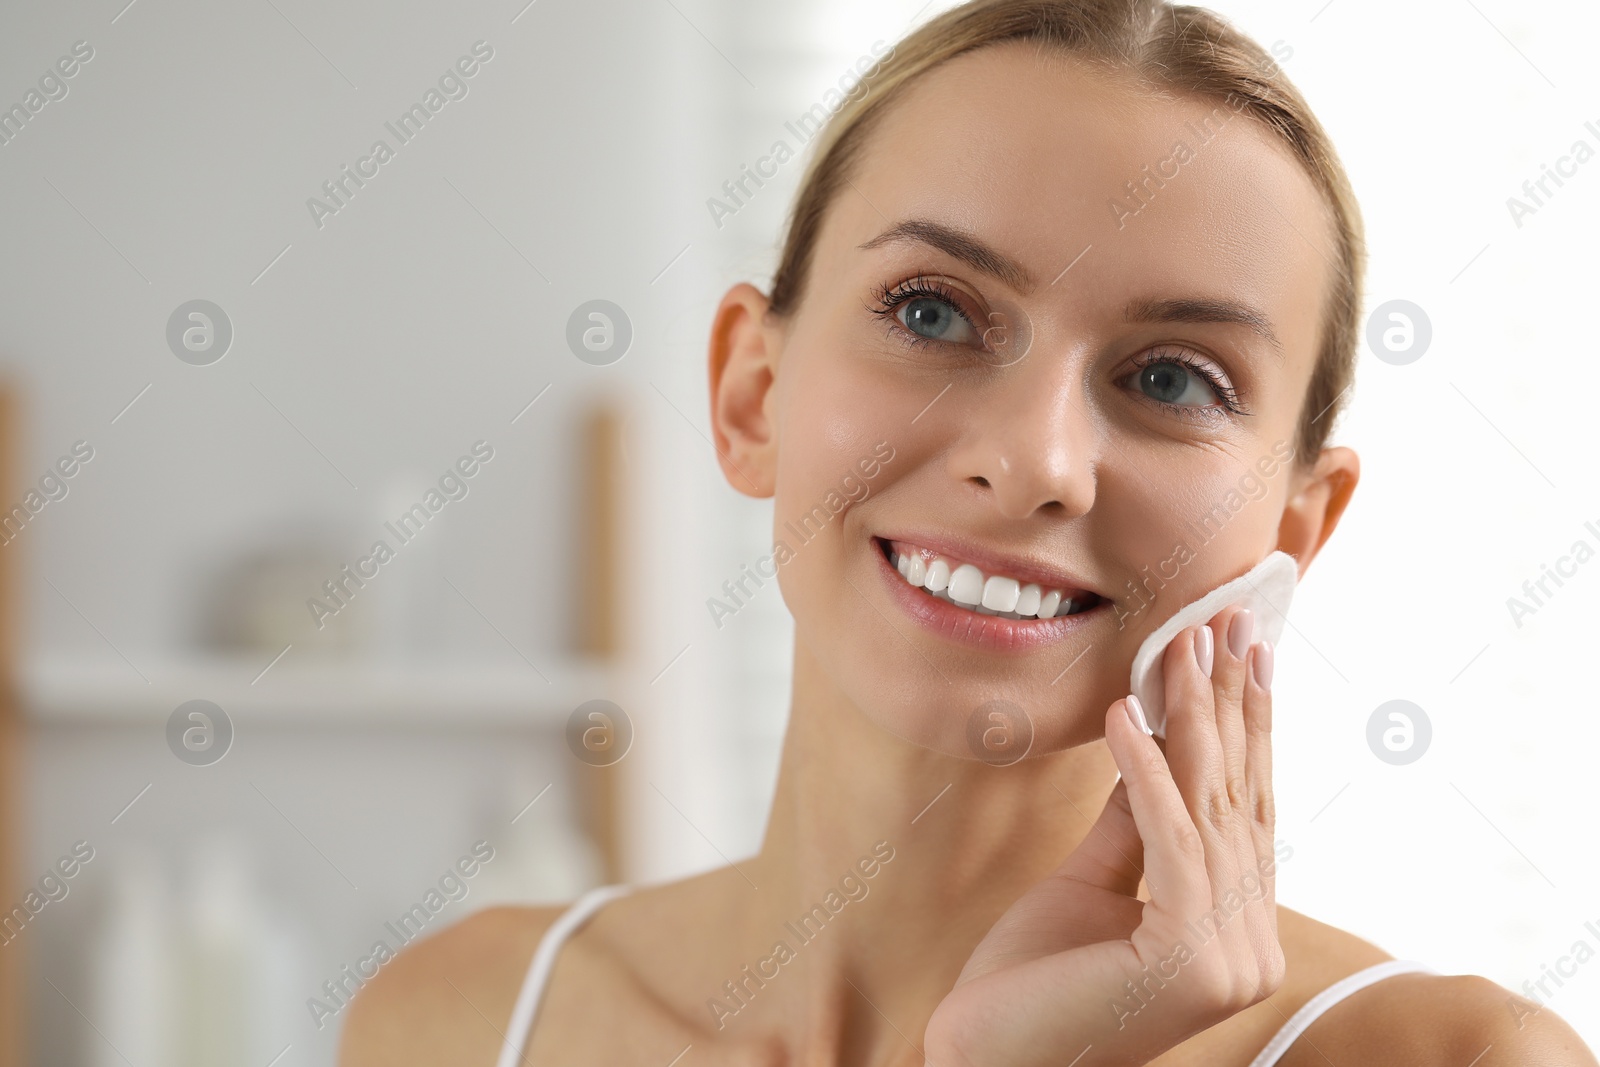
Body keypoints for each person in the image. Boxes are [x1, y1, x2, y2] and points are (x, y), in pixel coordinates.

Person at [340, 1, 1598, 1062]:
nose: (1032, 461)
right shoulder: (458, 1017)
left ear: (1293, 529)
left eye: (1171, 380)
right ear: (750, 394)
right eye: (933, 311)